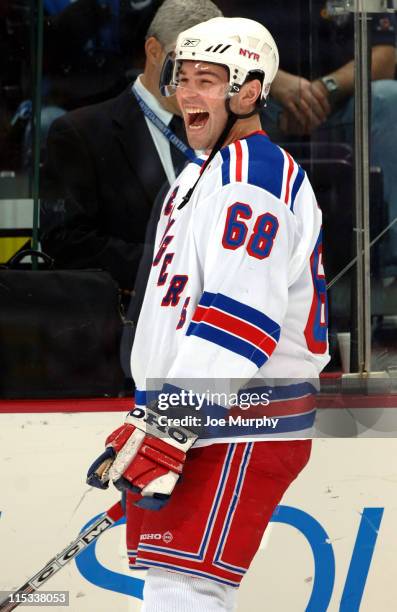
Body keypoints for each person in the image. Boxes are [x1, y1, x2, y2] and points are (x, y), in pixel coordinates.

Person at [87, 16, 330, 611]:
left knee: (183, 589)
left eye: (207, 81)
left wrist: (168, 422)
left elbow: (240, 319)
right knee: (170, 585)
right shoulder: (197, 177)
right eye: (181, 77)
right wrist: (154, 413)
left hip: (245, 417)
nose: (186, 94)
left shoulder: (252, 179)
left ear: (249, 92)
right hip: (198, 413)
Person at [40, 0, 222, 294]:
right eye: (188, 61)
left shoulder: (224, 130)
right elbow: (67, 242)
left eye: (211, 66)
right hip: (131, 322)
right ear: (153, 51)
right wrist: (174, 268)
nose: (198, 79)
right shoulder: (81, 133)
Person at [256, 1, 397, 277]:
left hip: (341, 101)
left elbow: (385, 56)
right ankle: (250, 255)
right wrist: (275, 81)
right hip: (264, 98)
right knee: (232, 99)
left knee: (389, 99)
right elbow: (217, 44)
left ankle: (390, 265)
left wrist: (325, 89)